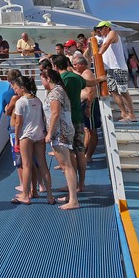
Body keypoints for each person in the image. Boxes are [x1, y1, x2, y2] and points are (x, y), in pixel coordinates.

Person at [12, 75, 54, 205]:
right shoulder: (37, 100)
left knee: (27, 165)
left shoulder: (21, 102)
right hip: (39, 134)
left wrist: (17, 139)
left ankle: (25, 195)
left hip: (27, 136)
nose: (16, 91)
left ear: (22, 88)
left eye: (17, 88)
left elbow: (18, 122)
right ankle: (50, 196)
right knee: (43, 165)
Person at [41, 68, 78, 210]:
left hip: (60, 133)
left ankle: (74, 200)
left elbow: (55, 113)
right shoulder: (58, 90)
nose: (42, 81)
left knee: (66, 165)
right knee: (67, 165)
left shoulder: (56, 92)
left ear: (48, 79)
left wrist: (49, 133)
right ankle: (71, 195)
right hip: (63, 131)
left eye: (42, 78)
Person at [53, 54, 87, 192]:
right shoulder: (76, 77)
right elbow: (87, 83)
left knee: (69, 153)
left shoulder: (61, 81)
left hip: (67, 120)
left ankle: (72, 185)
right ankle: (81, 184)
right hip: (78, 117)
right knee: (80, 151)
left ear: (55, 66)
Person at [97, 21, 136, 122]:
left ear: (107, 27)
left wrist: (97, 56)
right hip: (110, 69)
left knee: (123, 91)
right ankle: (123, 113)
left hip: (118, 68)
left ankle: (131, 114)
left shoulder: (112, 33)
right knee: (113, 92)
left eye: (101, 28)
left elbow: (106, 45)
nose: (99, 30)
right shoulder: (104, 37)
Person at [71, 53, 101, 161]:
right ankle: (85, 154)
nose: (74, 66)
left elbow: (91, 91)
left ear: (82, 64)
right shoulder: (82, 73)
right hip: (85, 104)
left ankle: (88, 156)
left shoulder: (87, 73)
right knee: (87, 130)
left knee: (92, 131)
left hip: (90, 104)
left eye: (75, 64)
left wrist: (88, 107)